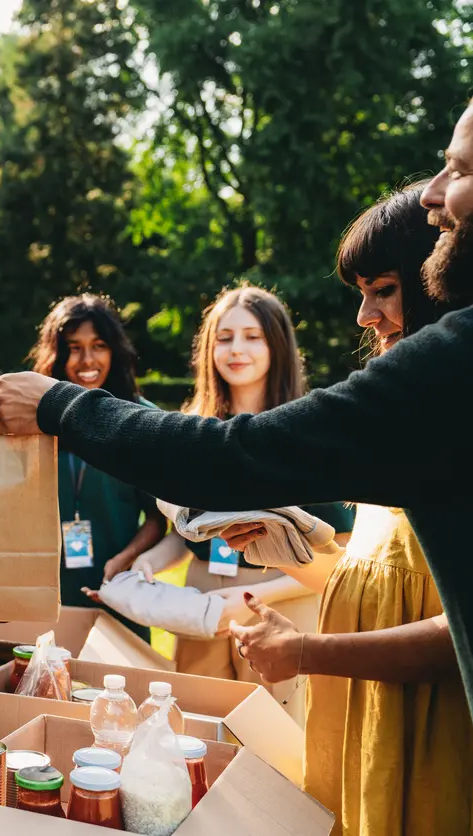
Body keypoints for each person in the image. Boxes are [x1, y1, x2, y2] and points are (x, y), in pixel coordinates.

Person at [0, 99, 473, 717]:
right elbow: (420, 607)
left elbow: (231, 456)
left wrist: (58, 404)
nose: (435, 192)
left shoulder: (440, 374)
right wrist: (298, 546)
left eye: (459, 170)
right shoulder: (420, 393)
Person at [228, 183, 473, 835]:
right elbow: (390, 583)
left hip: (433, 743)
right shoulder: (401, 418)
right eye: (359, 293)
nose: (363, 315)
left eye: (383, 289)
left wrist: (305, 651)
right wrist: (293, 551)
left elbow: (458, 637)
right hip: (367, 733)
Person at [119, 287, 354, 720]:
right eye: (224, 338)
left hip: (278, 600)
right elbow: (189, 533)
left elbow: (342, 550)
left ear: (277, 345)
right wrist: (149, 559)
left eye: (252, 336)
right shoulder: (193, 428)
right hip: (200, 603)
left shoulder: (308, 429)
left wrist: (247, 597)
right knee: (195, 728)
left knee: (276, 739)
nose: (236, 350)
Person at [26, 295, 165, 640]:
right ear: (56, 353)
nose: (87, 360)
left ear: (114, 350)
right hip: (45, 592)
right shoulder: (35, 420)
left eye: (98, 345)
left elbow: (158, 517)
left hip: (116, 588)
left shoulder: (140, 419)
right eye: (73, 347)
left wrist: (126, 559)